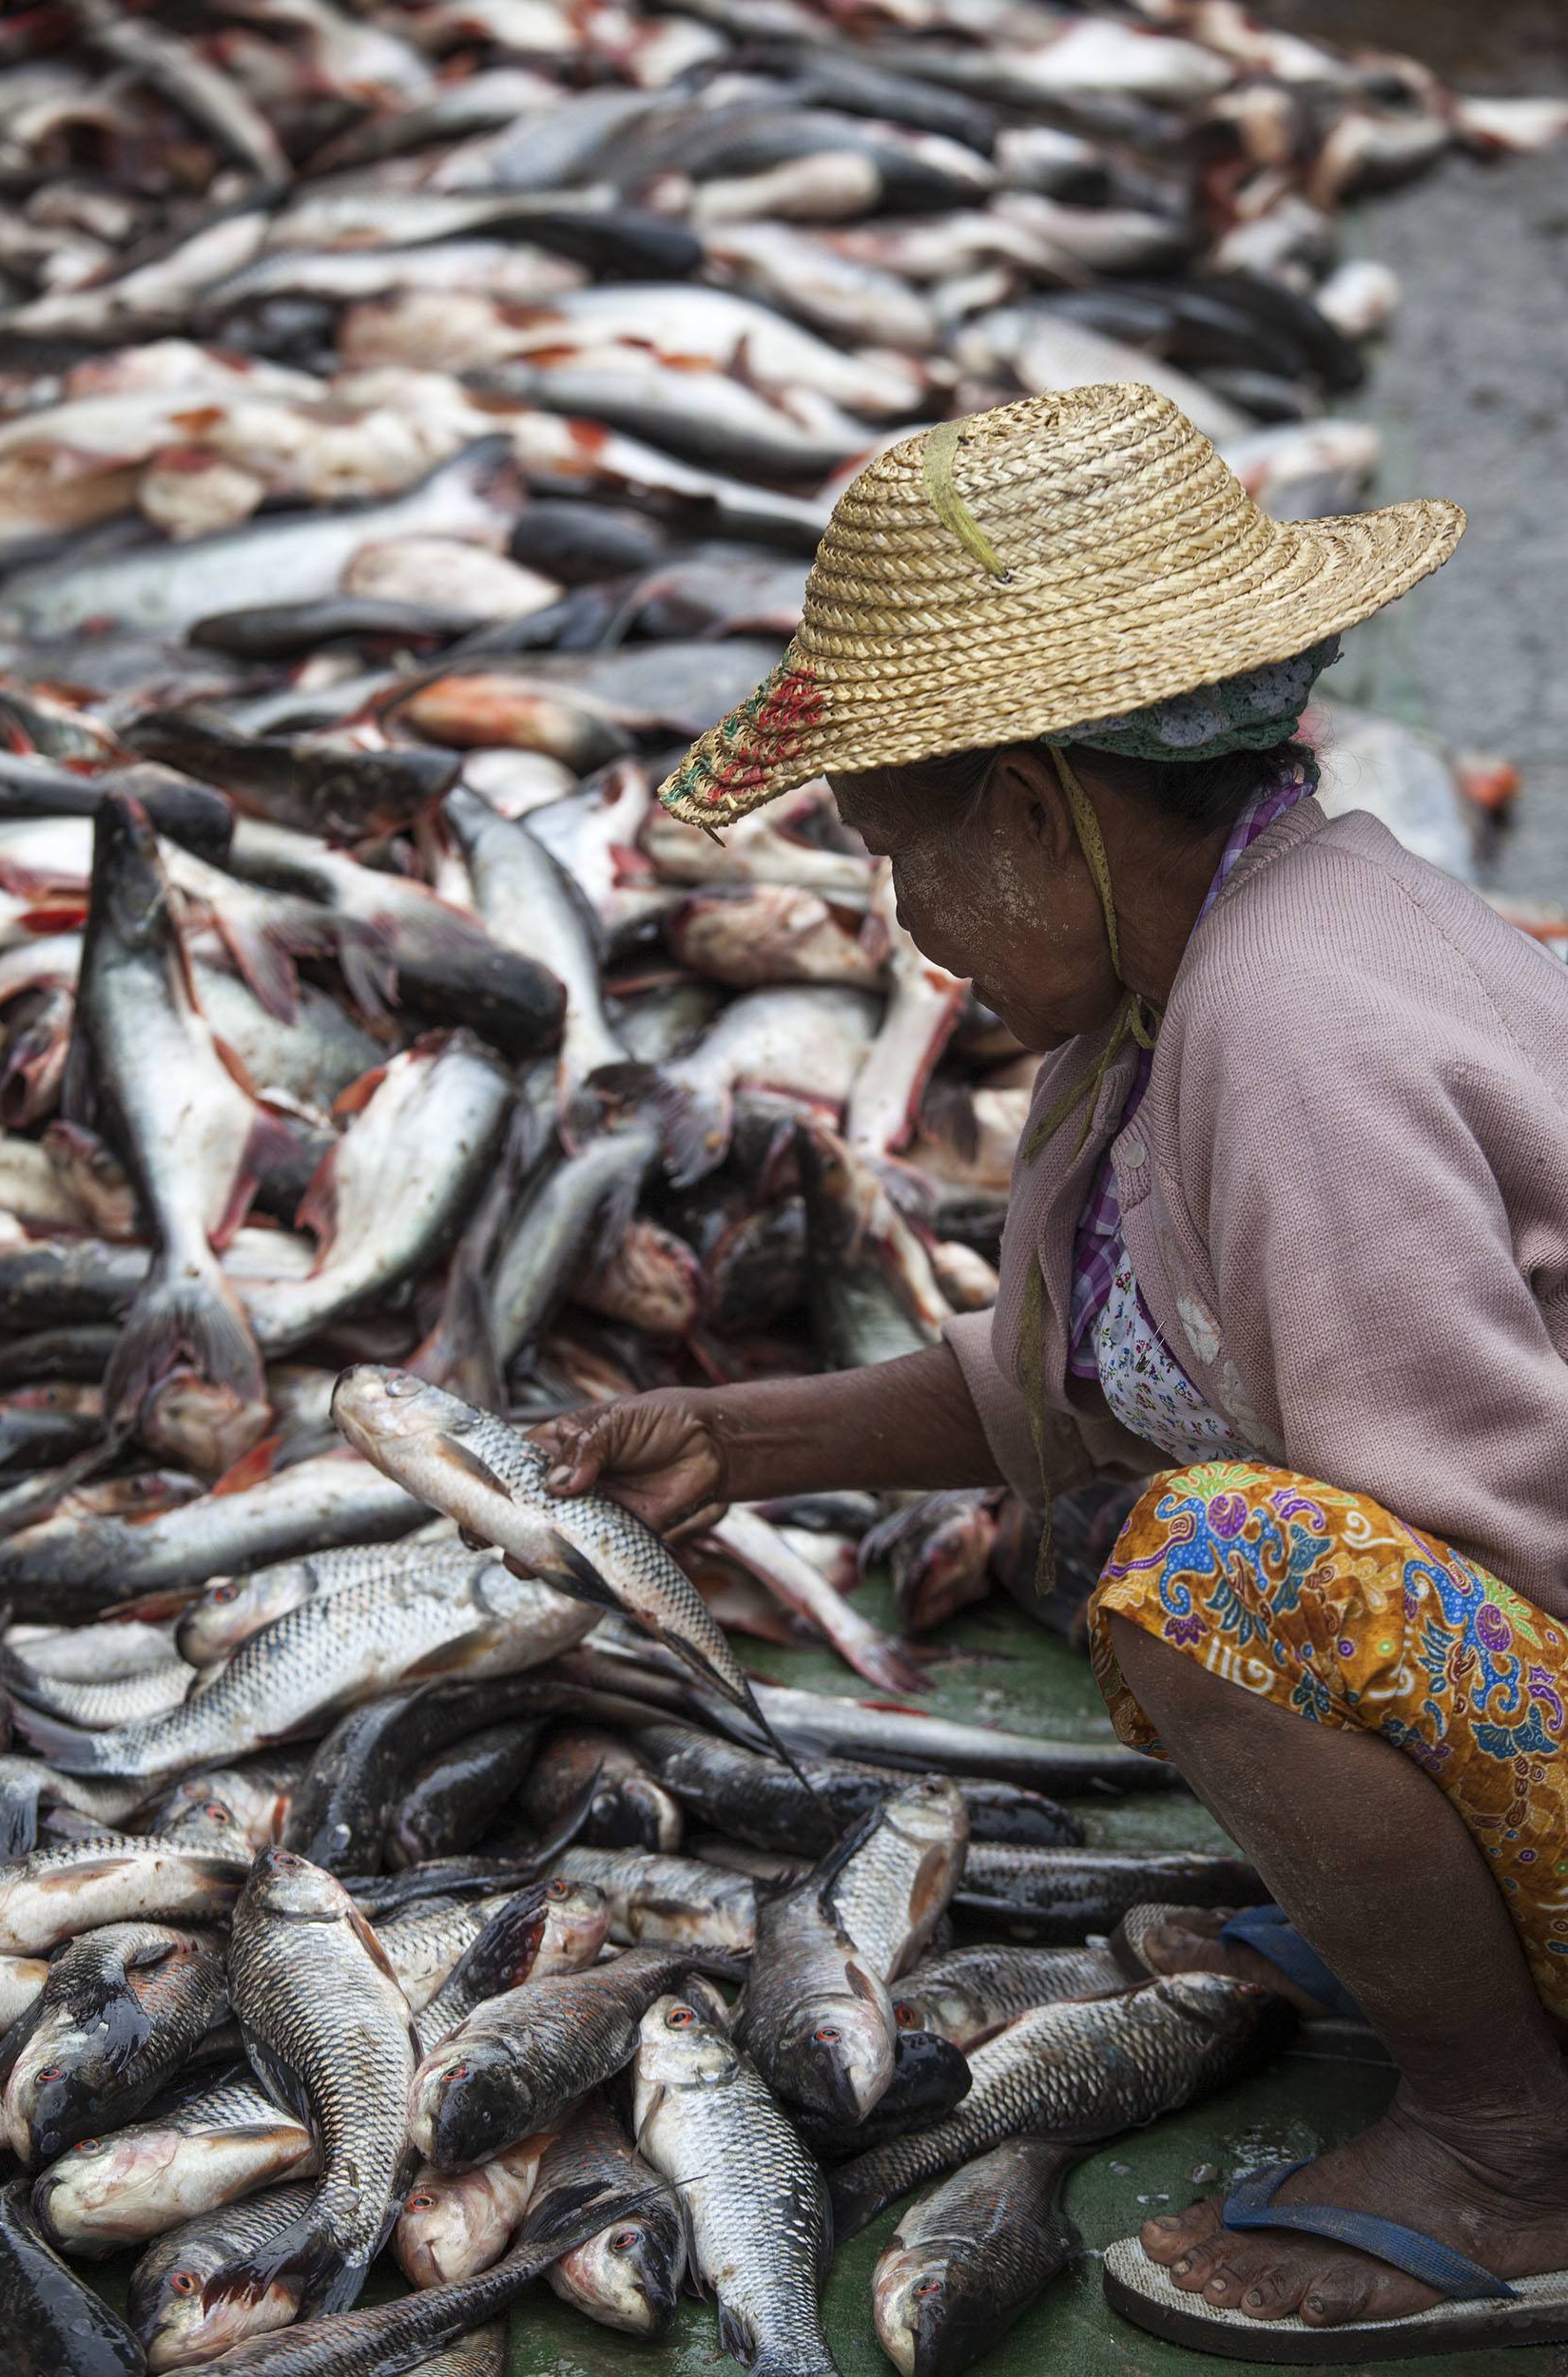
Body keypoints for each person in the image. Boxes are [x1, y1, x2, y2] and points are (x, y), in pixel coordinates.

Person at [532, 384, 1568, 2361]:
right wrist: (744, 1442)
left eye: (901, 851)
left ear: (1030, 805)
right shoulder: (1226, 957)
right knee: (1215, 1556)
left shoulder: (1294, 1037)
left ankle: (1516, 2145)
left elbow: (1465, 1550)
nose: (915, 930)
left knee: (1220, 1583)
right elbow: (1111, 1369)